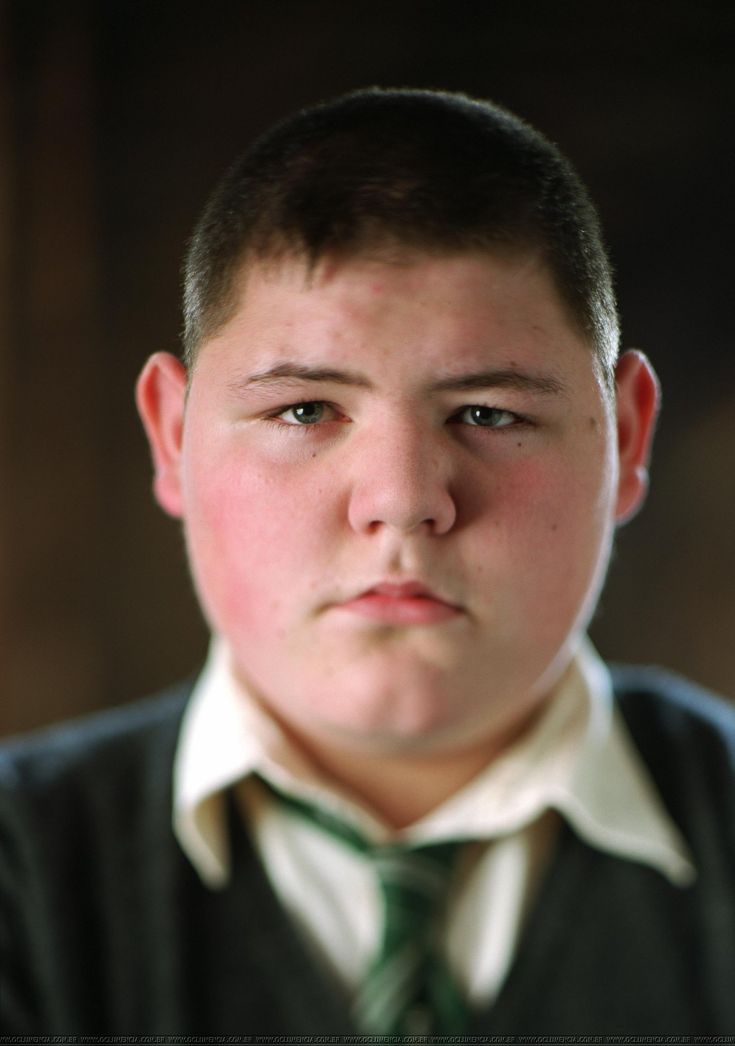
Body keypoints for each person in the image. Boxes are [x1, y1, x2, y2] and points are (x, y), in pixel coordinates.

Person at [1, 87, 734, 1038]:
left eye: (488, 413)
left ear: (627, 435)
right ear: (173, 435)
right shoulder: (19, 875)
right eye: (304, 410)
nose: (401, 499)